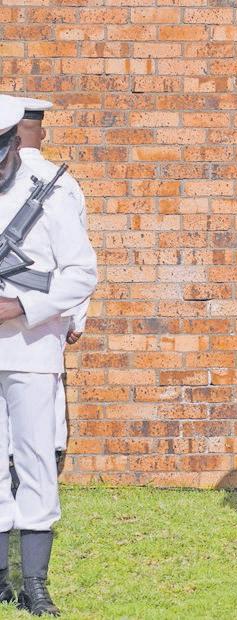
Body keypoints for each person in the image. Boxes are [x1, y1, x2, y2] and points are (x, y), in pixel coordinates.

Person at [0, 95, 97, 615]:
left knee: (36, 459)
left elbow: (81, 274)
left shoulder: (52, 195)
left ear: (13, 143)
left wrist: (19, 303)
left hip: (31, 347)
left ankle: (34, 583)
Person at [14, 96, 89, 470]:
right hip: (48, 306)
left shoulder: (51, 183)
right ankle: (48, 454)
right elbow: (75, 258)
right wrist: (77, 314)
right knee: (46, 384)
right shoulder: (66, 185)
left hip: (24, 303)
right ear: (41, 132)